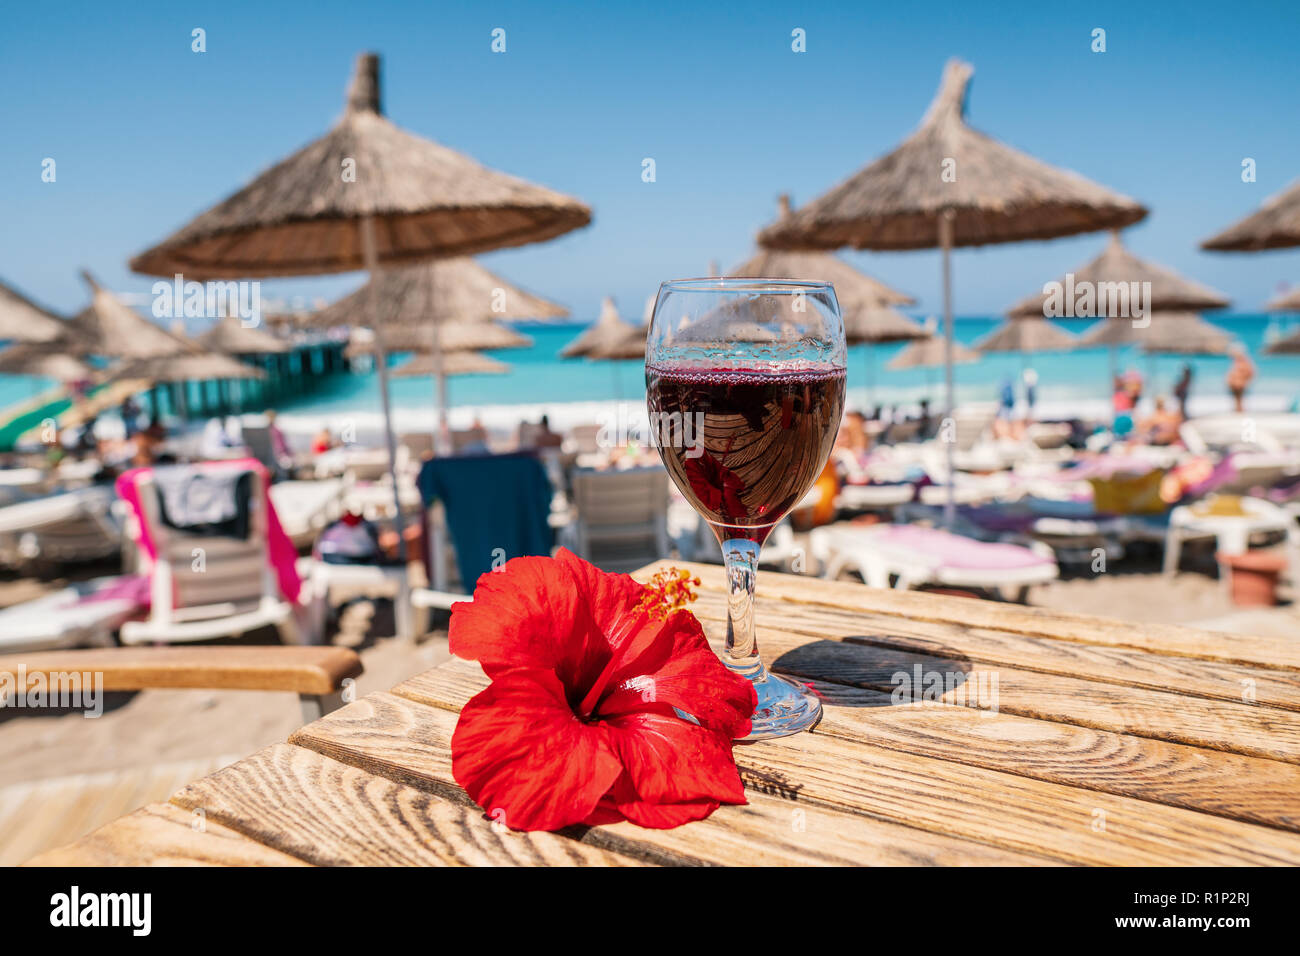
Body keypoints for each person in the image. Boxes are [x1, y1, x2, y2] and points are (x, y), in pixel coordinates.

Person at [1226, 344, 1255, 413]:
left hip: (1239, 383)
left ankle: (1239, 411)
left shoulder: (1244, 361)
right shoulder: (1238, 361)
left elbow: (1250, 372)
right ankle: (1238, 411)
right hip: (1236, 383)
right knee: (1237, 399)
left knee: (1239, 399)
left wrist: (1244, 380)